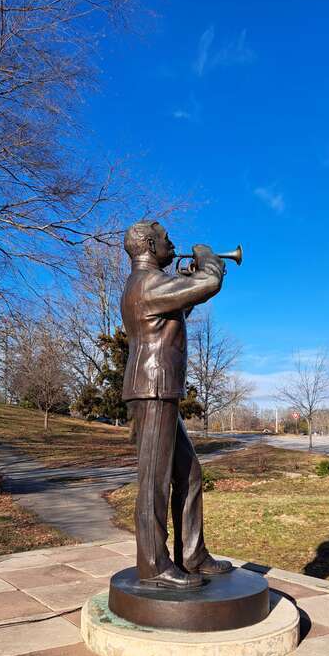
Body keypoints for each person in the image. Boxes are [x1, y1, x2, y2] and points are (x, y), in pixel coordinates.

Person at [121, 219, 233, 589]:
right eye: (168, 240)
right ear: (151, 246)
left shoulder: (149, 285)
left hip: (160, 389)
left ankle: (192, 555)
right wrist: (207, 259)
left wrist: (186, 285)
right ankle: (154, 565)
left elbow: (172, 316)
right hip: (153, 389)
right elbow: (209, 283)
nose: (174, 244)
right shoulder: (148, 282)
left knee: (190, 474)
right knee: (154, 481)